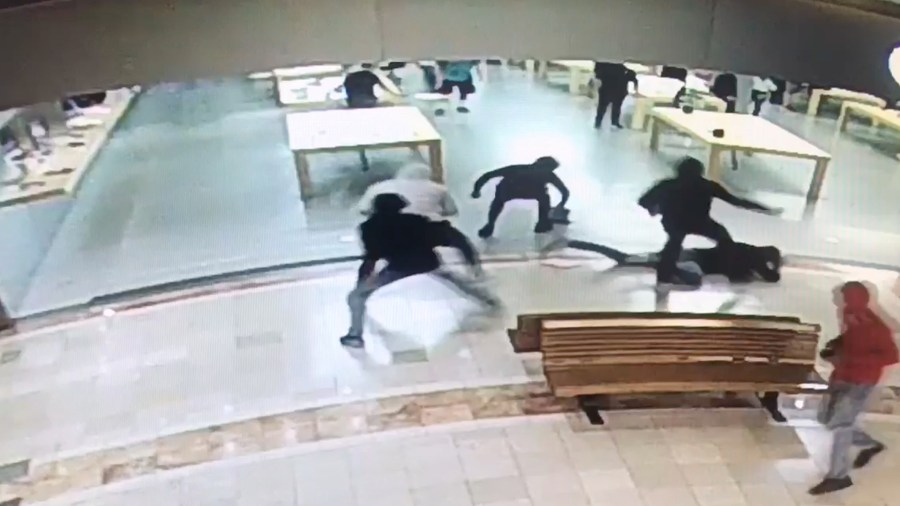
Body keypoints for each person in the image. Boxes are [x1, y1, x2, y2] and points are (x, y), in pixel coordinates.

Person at [339, 193, 499, 348]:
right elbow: (456, 239)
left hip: (397, 268)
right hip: (428, 264)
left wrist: (361, 283)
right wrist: (472, 264)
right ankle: (491, 304)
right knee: (459, 283)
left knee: (356, 297)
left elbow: (370, 259)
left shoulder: (369, 228)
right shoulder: (416, 222)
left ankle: (355, 334)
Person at [809, 282, 900, 495]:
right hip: (841, 375)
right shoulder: (850, 314)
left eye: (841, 295)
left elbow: (892, 356)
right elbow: (850, 338)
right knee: (825, 418)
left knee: (841, 424)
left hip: (860, 381)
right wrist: (835, 347)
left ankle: (838, 477)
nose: (837, 299)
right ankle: (870, 444)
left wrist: (850, 358)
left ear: (854, 298)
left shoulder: (876, 327)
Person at [638, 157, 779, 287]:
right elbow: (736, 201)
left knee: (674, 243)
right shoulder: (707, 185)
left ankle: (665, 276)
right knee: (723, 238)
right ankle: (731, 267)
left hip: (675, 222)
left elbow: (643, 201)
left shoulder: (667, 185)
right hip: (699, 222)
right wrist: (763, 208)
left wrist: (654, 209)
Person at [357, 162, 482, 275]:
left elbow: (363, 210)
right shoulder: (437, 189)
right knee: (459, 243)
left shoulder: (378, 188)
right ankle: (476, 272)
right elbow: (452, 212)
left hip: (389, 247)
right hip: (427, 239)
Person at [560, 239, 782, 285]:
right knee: (695, 281)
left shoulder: (743, 246)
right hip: (696, 265)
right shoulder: (757, 261)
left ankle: (577, 243)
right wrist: (775, 266)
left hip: (689, 253)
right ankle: (669, 267)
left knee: (627, 258)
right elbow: (772, 278)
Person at [471, 156, 570, 238]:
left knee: (544, 197)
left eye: (549, 169)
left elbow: (564, 192)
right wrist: (476, 190)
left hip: (518, 191)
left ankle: (542, 221)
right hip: (511, 190)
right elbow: (487, 175)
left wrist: (476, 191)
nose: (543, 171)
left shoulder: (547, 174)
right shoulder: (518, 169)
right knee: (500, 199)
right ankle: (490, 224)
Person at [593, 62, 638, 129]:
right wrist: (635, 86)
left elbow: (597, 74)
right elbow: (632, 76)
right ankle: (613, 122)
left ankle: (599, 122)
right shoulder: (621, 68)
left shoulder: (603, 65)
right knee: (615, 107)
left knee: (603, 107)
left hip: (607, 89)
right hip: (618, 90)